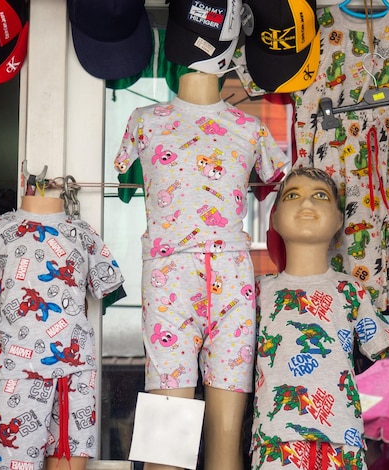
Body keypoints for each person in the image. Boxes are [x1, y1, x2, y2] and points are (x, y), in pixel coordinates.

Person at [113, 71, 291, 470]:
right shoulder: (145, 119)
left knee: (225, 444)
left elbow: (275, 179)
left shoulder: (250, 127)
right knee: (166, 441)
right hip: (168, 274)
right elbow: (124, 168)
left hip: (233, 279)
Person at [252, 167, 389, 469]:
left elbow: (377, 351)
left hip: (342, 440)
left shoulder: (350, 291)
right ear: (276, 218)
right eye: (293, 196)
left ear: (338, 219)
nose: (306, 204)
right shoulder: (257, 293)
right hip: (275, 442)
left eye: (319, 196)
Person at [0, 193, 125, 470]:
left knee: (70, 459)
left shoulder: (84, 233)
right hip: (16, 370)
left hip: (75, 374)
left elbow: (106, 284)